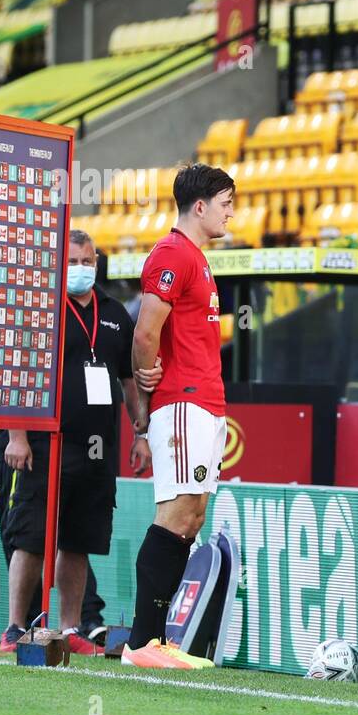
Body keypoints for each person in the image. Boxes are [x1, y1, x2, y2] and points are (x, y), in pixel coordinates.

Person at [0, 230, 151, 654]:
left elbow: (129, 381)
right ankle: (14, 628)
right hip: (45, 443)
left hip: (98, 447)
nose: (80, 269)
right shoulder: (39, 310)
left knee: (79, 539)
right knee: (31, 536)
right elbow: (17, 376)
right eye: (72, 262)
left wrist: (141, 432)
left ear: (97, 261)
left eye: (87, 261)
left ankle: (69, 629)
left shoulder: (117, 313)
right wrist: (17, 436)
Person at [121, 163, 233, 668]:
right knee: (174, 515)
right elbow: (145, 333)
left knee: (191, 517)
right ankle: (141, 642)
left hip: (203, 402)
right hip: (184, 400)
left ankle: (156, 641)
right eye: (226, 202)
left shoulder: (198, 259)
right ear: (201, 206)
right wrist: (146, 386)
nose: (232, 212)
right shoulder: (172, 253)